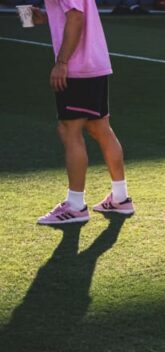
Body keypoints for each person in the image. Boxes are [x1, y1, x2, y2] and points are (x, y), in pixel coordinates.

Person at [30, 0, 134, 226]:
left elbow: (77, 16)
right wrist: (47, 18)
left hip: (79, 69)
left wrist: (62, 62)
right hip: (94, 63)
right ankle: (120, 198)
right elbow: (73, 12)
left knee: (69, 130)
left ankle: (76, 206)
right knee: (99, 128)